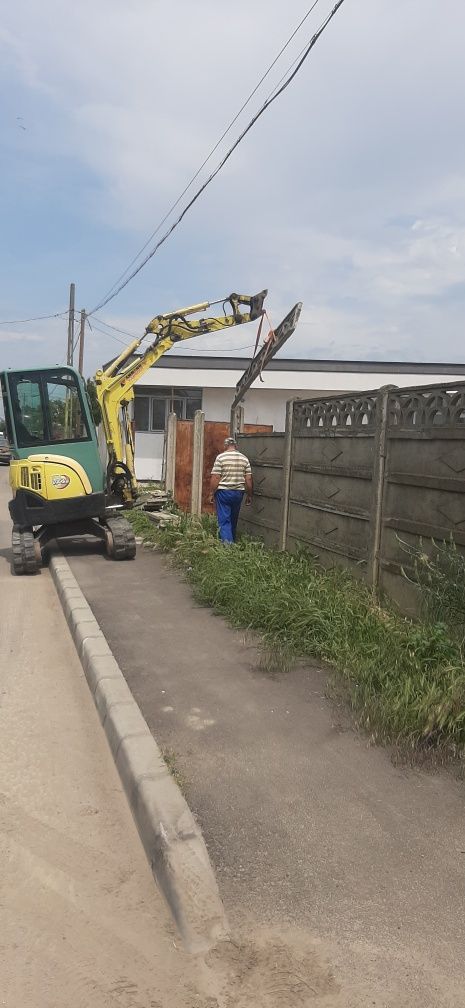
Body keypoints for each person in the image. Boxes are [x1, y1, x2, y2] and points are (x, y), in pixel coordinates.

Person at [210, 437, 253, 543]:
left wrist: (211, 493)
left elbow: (216, 477)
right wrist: (249, 495)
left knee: (224, 521)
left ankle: (228, 547)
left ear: (225, 446)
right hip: (238, 493)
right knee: (233, 519)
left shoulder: (221, 458)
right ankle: (232, 541)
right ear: (235, 446)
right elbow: (248, 479)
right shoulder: (244, 458)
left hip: (223, 493)